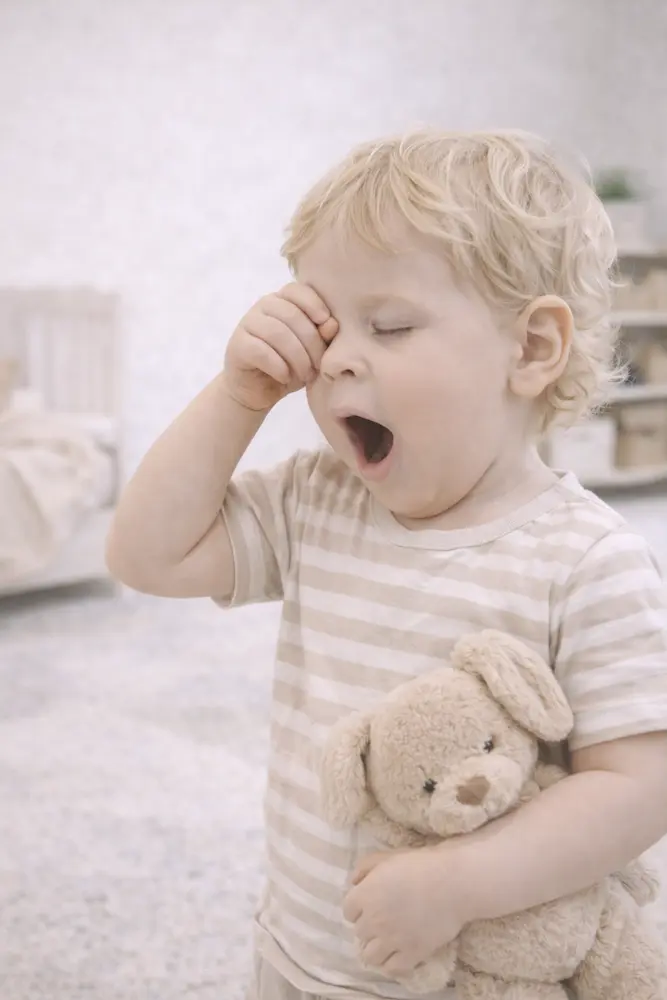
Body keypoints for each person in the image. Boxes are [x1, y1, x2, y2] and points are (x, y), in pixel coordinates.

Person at [105, 129, 667, 1000]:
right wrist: (238, 395)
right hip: (300, 952)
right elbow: (145, 555)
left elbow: (637, 789)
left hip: (475, 975)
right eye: (322, 327)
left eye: (389, 326)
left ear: (529, 349)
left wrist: (458, 885)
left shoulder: (589, 561)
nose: (332, 359)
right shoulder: (313, 502)